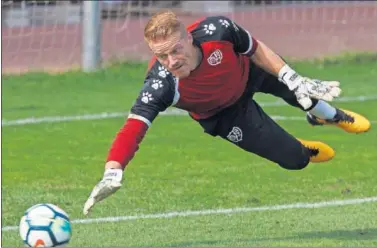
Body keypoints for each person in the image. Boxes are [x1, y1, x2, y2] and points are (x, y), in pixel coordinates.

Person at [83, 10, 370, 215]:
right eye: (161, 56)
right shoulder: (160, 85)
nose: (170, 61)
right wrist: (113, 170)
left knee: (302, 92)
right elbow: (134, 127)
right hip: (224, 114)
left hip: (250, 73)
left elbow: (255, 48)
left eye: (175, 50)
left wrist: (290, 76)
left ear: (188, 38)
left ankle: (328, 115)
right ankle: (301, 148)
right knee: (295, 161)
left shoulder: (217, 31)